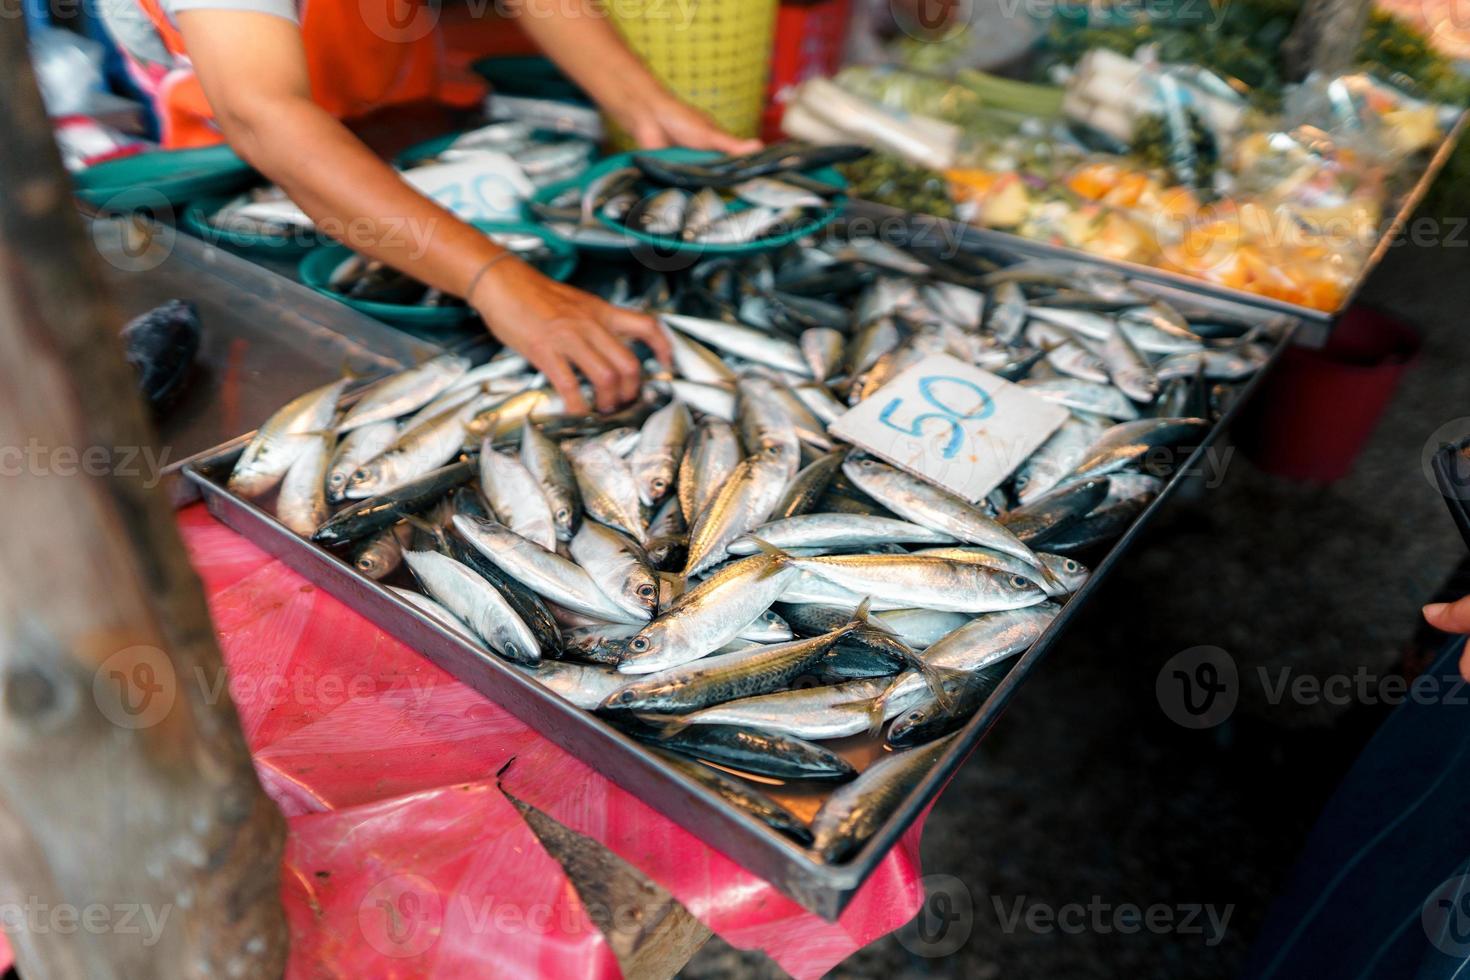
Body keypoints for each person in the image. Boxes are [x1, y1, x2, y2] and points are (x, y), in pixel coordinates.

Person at [97, 0, 761, 414]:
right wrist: (494, 278)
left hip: (404, 130)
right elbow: (264, 115)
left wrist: (643, 104)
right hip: (254, 187)